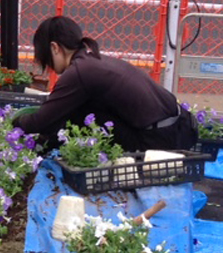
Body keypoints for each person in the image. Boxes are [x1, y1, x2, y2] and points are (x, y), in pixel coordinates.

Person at [12, 16, 198, 152]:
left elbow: (40, 121)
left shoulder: (79, 72)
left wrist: (14, 122)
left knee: (76, 115)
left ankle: (43, 151)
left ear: (54, 48)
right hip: (179, 127)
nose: (50, 67)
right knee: (78, 111)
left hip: (158, 143)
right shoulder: (92, 59)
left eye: (46, 59)